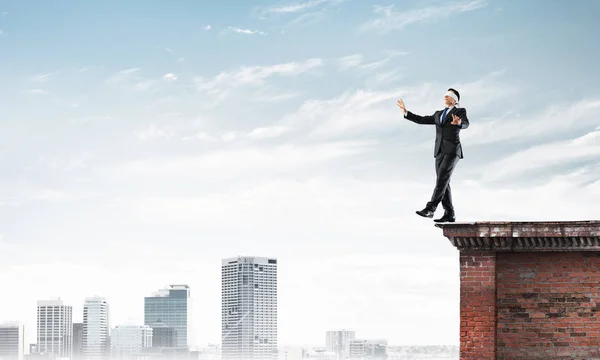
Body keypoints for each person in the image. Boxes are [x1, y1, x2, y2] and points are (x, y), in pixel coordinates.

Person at [396, 88, 469, 222]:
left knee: (442, 178)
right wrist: (406, 113)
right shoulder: (438, 114)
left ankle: (431, 208)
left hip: (452, 150)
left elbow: (466, 123)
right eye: (445, 95)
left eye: (449, 95)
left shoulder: (459, 111)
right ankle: (449, 213)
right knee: (443, 181)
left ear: (455, 100)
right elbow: (422, 119)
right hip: (439, 151)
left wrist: (459, 123)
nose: (445, 97)